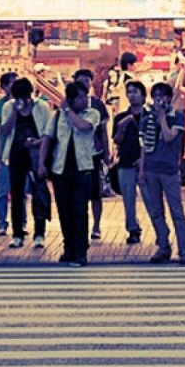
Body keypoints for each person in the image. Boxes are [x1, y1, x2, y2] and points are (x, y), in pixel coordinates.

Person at [45, 79, 102, 266]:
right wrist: (40, 164)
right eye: (80, 97)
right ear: (71, 99)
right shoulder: (57, 116)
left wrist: (68, 111)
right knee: (64, 210)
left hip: (83, 168)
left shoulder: (92, 113)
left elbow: (83, 126)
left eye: (85, 95)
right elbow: (48, 138)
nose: (85, 99)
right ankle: (68, 248)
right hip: (60, 168)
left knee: (80, 210)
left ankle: (80, 251)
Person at [138, 80, 185, 264]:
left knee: (176, 211)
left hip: (169, 170)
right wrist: (142, 170)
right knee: (156, 211)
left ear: (169, 98)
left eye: (162, 96)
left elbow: (170, 137)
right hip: (151, 169)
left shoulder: (176, 116)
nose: (158, 100)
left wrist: (162, 117)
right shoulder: (146, 119)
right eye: (155, 96)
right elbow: (144, 146)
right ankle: (163, 246)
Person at [0, 77, 52, 249]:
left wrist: (36, 143)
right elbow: (4, 131)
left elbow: (48, 133)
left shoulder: (41, 107)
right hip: (16, 155)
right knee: (16, 194)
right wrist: (14, 112)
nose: (23, 100)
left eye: (25, 96)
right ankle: (17, 232)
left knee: (39, 192)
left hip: (37, 155)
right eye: (19, 97)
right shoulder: (9, 107)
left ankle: (39, 232)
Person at [72, 67, 111, 242]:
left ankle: (96, 226)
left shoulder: (96, 104)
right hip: (75, 153)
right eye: (81, 81)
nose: (84, 84)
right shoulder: (69, 104)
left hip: (94, 152)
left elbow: (103, 129)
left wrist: (106, 150)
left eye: (87, 81)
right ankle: (80, 226)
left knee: (96, 192)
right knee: (77, 193)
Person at [111, 80, 146, 245]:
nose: (131, 95)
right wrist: (122, 128)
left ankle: (160, 230)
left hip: (146, 164)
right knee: (128, 200)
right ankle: (133, 229)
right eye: (129, 92)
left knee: (151, 199)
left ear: (143, 95)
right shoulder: (121, 117)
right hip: (125, 162)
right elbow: (117, 140)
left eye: (135, 92)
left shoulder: (149, 116)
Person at [0, 70, 18, 237]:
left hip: (21, 153)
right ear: (4, 87)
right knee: (2, 191)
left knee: (21, 193)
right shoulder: (0, 106)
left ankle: (20, 223)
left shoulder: (30, 103)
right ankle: (1, 222)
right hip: (4, 153)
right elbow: (3, 129)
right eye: (12, 84)